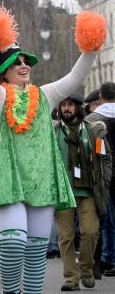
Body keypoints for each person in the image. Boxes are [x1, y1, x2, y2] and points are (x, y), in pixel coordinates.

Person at [0, 44, 96, 294]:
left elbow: (75, 77)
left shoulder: (44, 95)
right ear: (4, 71)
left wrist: (91, 48)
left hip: (41, 182)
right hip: (8, 181)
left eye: (26, 61)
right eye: (16, 62)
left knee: (35, 251)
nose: (24, 65)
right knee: (13, 242)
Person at [54, 92, 112, 291]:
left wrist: (104, 181)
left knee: (90, 231)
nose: (66, 109)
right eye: (63, 105)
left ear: (78, 107)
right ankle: (71, 278)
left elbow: (105, 158)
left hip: (88, 192)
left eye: (70, 105)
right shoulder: (53, 132)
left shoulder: (93, 130)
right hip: (62, 192)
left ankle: (86, 268)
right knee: (66, 236)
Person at [85, 82, 115, 278]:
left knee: (106, 219)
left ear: (101, 98)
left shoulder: (92, 119)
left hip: (104, 174)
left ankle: (106, 258)